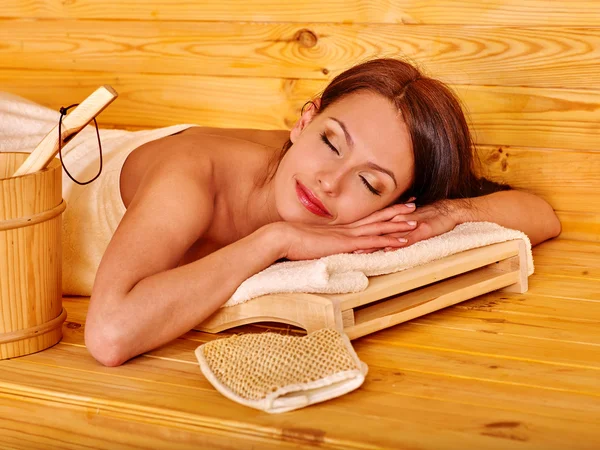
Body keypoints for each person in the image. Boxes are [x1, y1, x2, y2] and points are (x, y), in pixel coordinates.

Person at [82, 58, 561, 366]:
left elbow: (541, 214)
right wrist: (275, 239)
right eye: (331, 142)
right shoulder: (194, 176)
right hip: (48, 165)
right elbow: (109, 334)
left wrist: (449, 213)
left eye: (369, 182)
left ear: (394, 201)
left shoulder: (386, 196)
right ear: (304, 121)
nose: (329, 182)